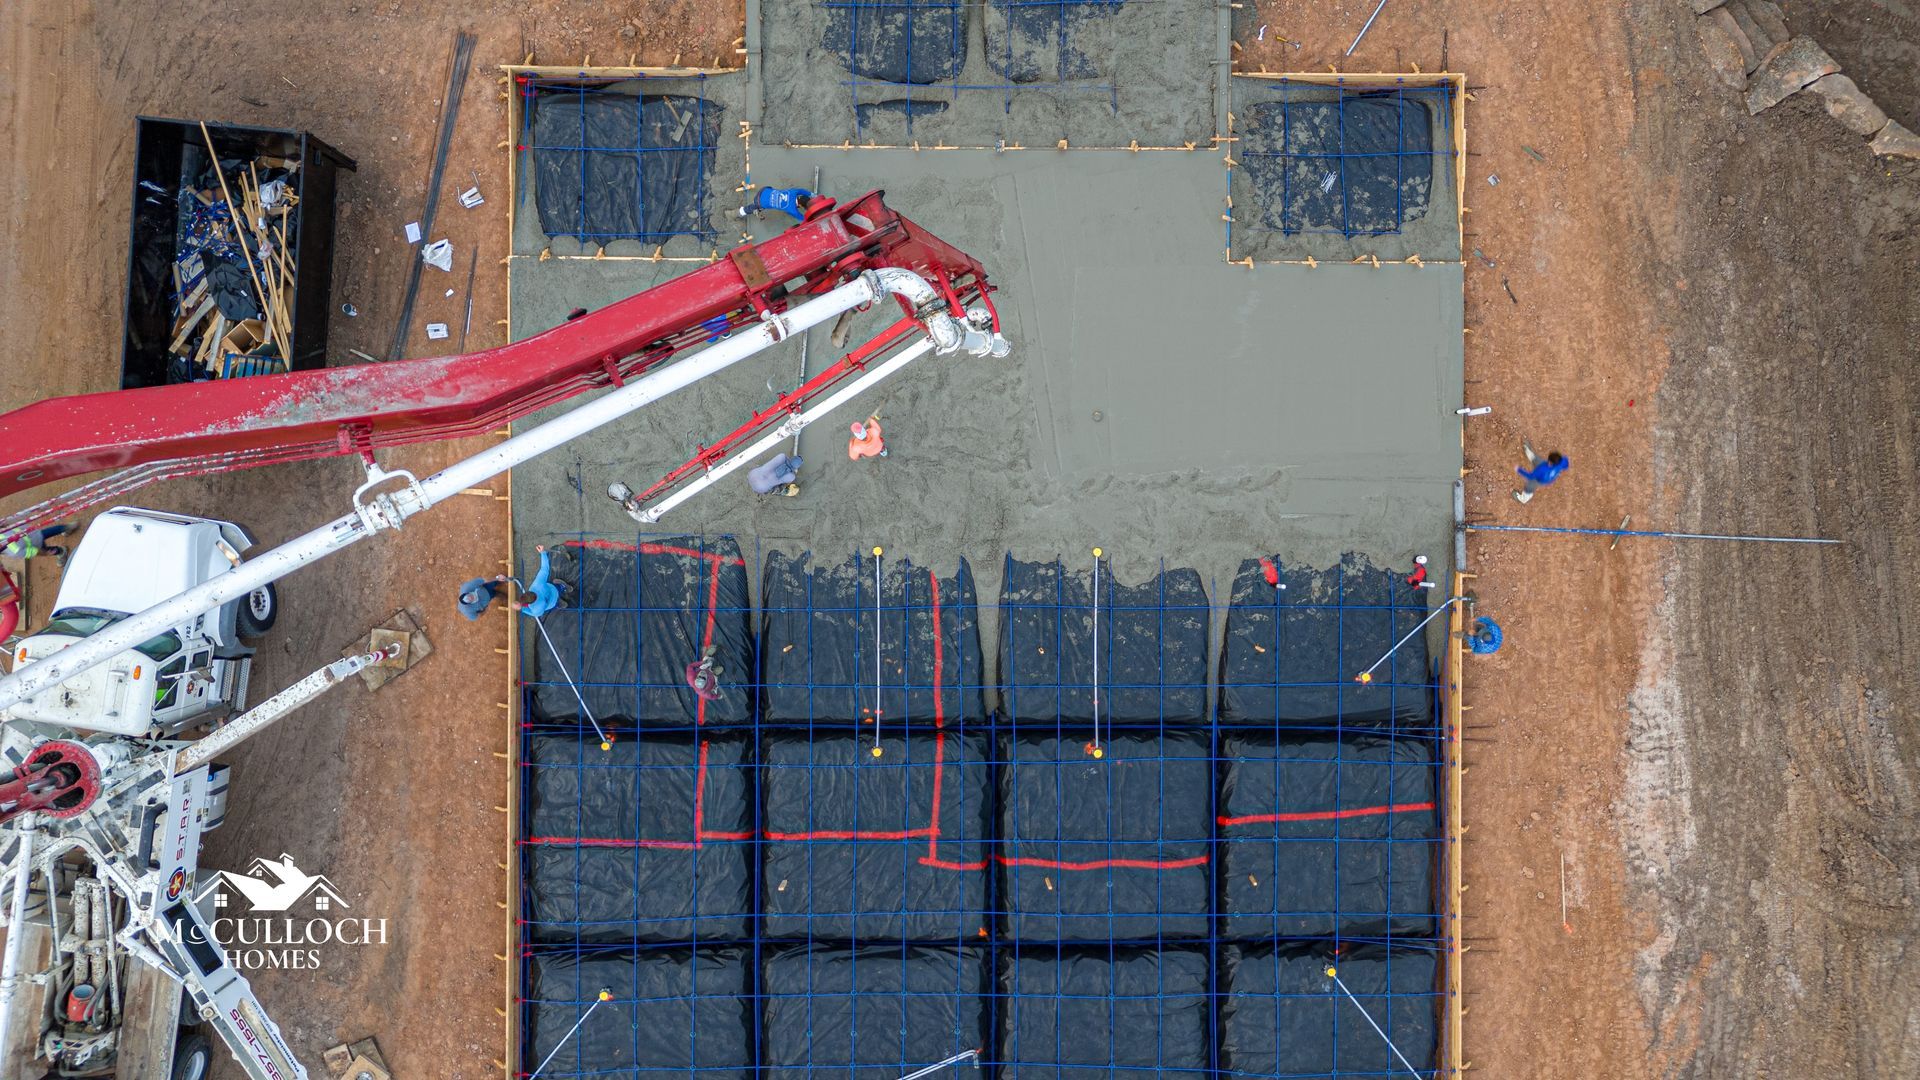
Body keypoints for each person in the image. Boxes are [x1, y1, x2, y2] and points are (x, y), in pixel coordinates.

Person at [515, 544, 572, 619]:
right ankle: (565, 587)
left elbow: (536, 614)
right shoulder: (537, 585)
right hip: (554, 590)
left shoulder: (536, 609)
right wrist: (542, 552)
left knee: (556, 604)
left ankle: (561, 603)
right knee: (556, 582)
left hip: (551, 603)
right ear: (528, 592)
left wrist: (522, 609)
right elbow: (544, 569)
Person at [736, 186, 816, 224]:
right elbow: (804, 218)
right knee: (756, 206)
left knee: (772, 194)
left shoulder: (793, 192)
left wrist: (811, 194)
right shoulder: (792, 209)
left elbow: (801, 190)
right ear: (800, 206)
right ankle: (741, 212)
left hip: (764, 190)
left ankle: (757, 208)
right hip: (759, 202)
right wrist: (813, 219)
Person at [4, 524, 73, 563]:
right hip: (30, 531)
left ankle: (60, 551)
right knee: (49, 531)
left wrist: (46, 553)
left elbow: (35, 551)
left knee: (45, 550)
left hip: (37, 543)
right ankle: (66, 528)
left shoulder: (13, 551)